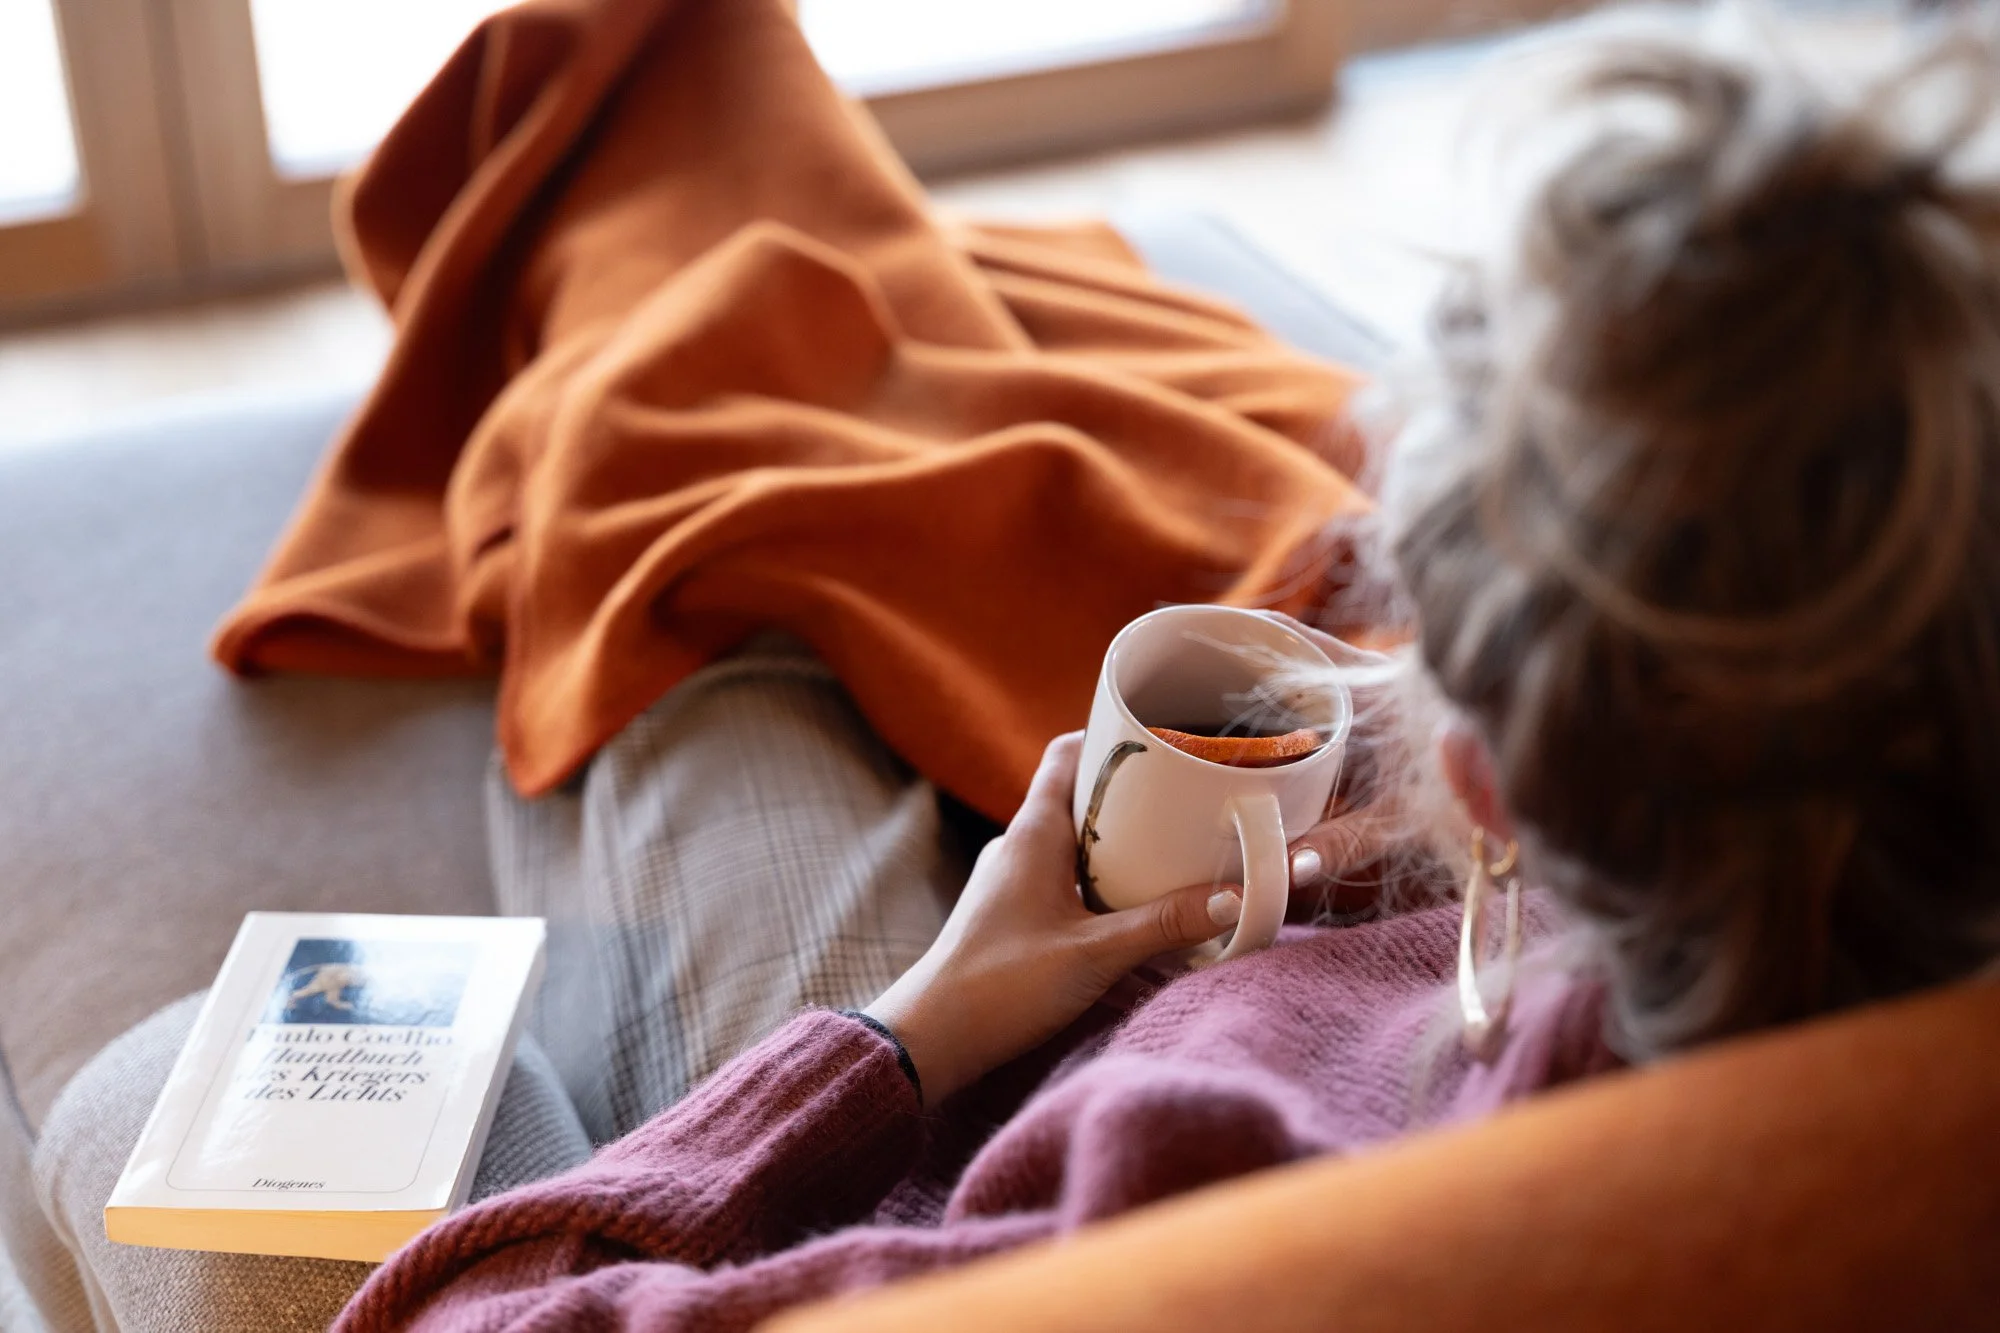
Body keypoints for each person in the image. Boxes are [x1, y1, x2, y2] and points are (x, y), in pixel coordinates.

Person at [310, 11, 1999, 1329]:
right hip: (1202, 943)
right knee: (942, 401)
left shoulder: (1213, 1205)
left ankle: (649, 183)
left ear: (1486, 779)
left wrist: (908, 1030)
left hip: (944, 1095)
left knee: (682, 548)